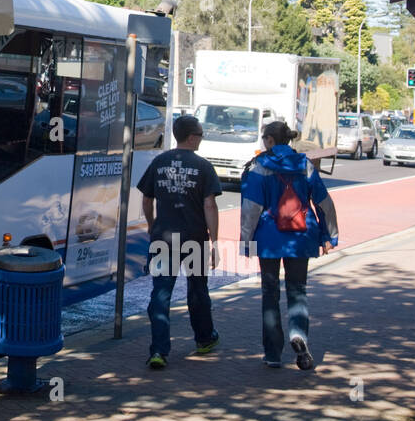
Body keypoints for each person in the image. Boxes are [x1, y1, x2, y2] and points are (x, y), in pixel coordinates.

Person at [240, 120, 339, 370]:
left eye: (264, 138)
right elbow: (324, 202)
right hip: (301, 235)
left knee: (269, 294)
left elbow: (251, 209)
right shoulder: (304, 164)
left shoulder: (260, 166)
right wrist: (330, 235)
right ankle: (299, 336)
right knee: (297, 290)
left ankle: (273, 354)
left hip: (269, 237)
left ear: (271, 140)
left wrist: (246, 243)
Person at [137, 114, 222, 369]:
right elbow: (209, 205)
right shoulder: (204, 167)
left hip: (164, 237)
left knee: (161, 293)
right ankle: (204, 339)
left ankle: (159, 351)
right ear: (192, 136)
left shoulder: (159, 162)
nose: (201, 140)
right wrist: (215, 241)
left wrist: (152, 226)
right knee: (197, 290)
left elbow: (146, 199)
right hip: (194, 237)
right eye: (201, 135)